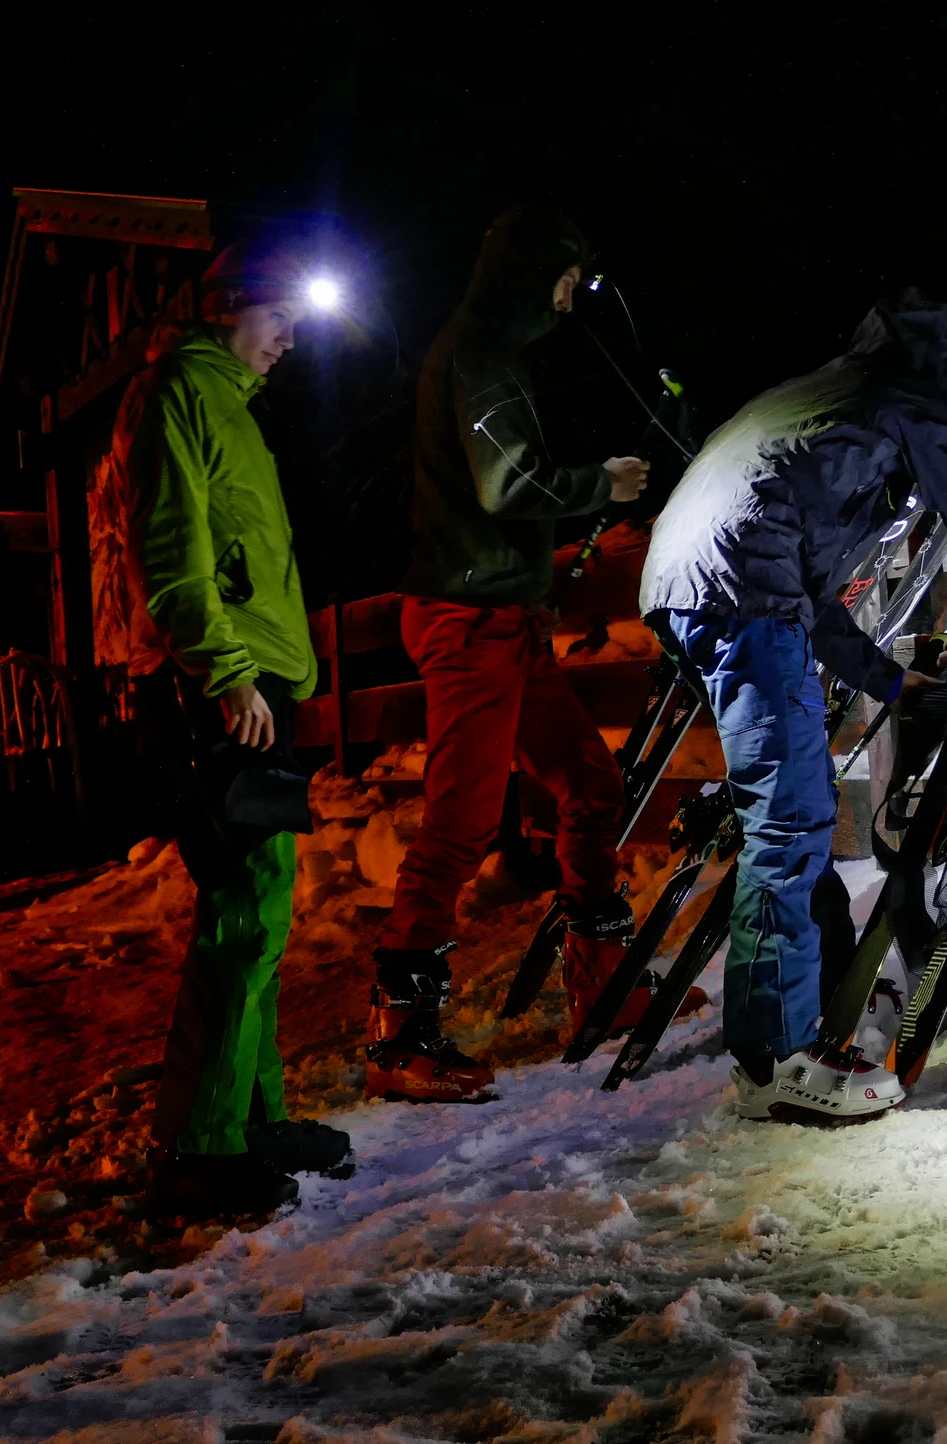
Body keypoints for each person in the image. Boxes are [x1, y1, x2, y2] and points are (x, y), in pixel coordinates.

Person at [640, 287, 947, 1123]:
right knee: (790, 821)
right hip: (741, 585)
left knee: (784, 816)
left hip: (689, 585)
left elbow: (813, 589)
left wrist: (892, 682)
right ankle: (778, 1056)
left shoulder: (826, 394)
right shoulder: (911, 394)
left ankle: (790, 1021)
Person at [369, 205, 676, 1103]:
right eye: (567, 280)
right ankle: (403, 1033)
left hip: (503, 616)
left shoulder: (491, 355)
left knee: (588, 784)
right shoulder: (480, 357)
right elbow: (507, 483)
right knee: (461, 820)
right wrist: (602, 486)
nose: (574, 300)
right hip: (466, 622)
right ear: (528, 274)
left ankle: (604, 987)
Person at [118, 237, 352, 1215]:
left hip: (264, 688)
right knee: (240, 914)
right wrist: (226, 670)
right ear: (229, 305)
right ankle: (197, 1147)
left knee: (264, 915)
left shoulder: (232, 408)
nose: (292, 337)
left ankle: (250, 1117)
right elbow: (173, 547)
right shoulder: (180, 390)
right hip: (234, 691)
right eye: (280, 316)